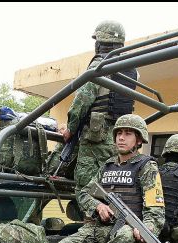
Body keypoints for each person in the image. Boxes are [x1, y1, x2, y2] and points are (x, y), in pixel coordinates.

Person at [55, 114, 165, 243]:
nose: (121, 138)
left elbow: (155, 209)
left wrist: (148, 229)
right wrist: (98, 206)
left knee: (123, 238)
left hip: (129, 231)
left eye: (128, 134)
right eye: (119, 133)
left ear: (139, 140)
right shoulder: (107, 166)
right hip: (98, 230)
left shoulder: (147, 166)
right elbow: (84, 194)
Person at [59, 21, 139, 196]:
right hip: (118, 137)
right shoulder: (132, 68)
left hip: (96, 140)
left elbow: (82, 100)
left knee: (86, 189)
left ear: (101, 41)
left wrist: (71, 129)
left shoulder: (100, 64)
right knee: (111, 185)